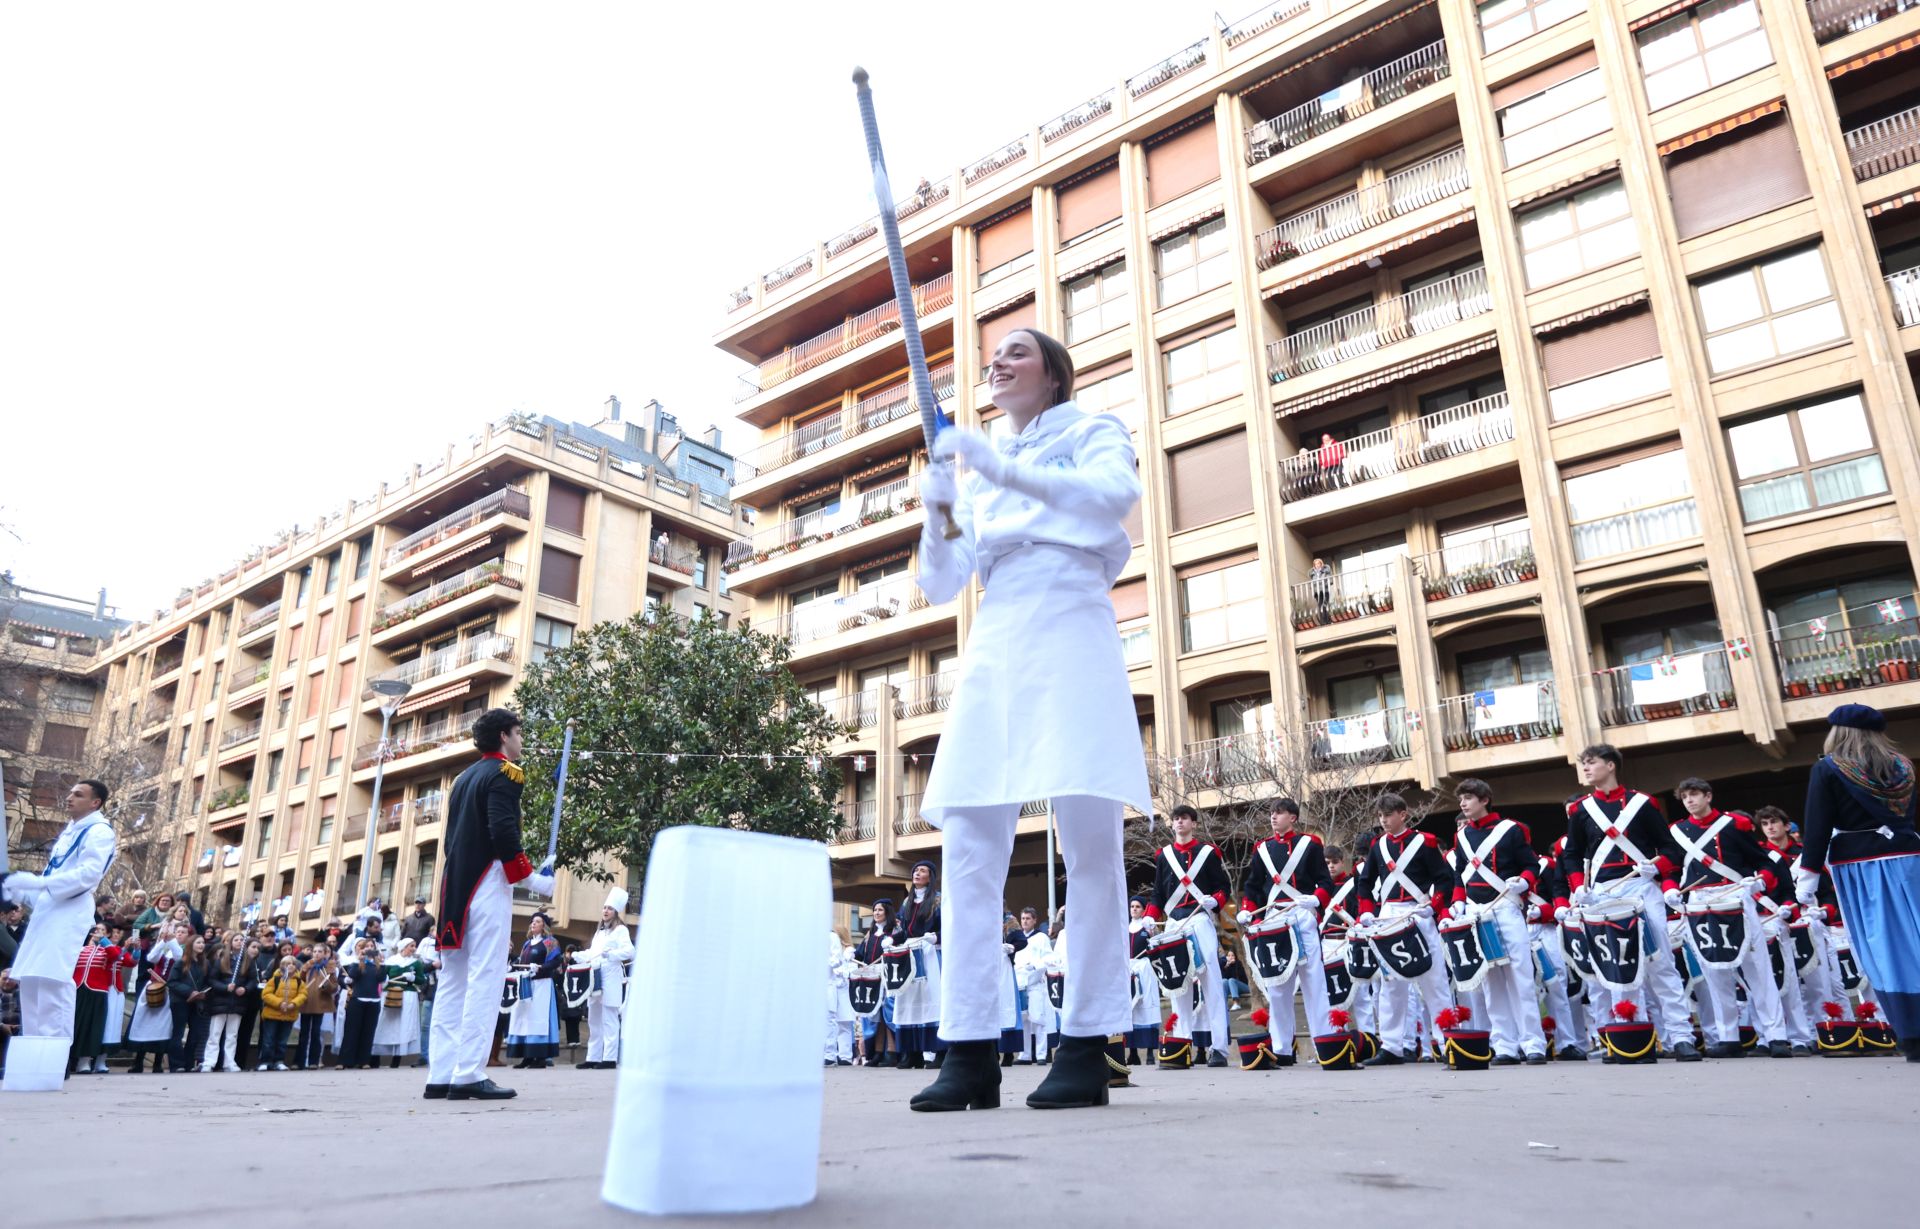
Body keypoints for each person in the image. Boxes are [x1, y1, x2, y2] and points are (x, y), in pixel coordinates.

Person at [907, 326, 1147, 1113]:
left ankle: (1087, 1042)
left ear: (1053, 372)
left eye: (1017, 350)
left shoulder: (1091, 428)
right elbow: (942, 580)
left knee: (1090, 844)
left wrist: (996, 465)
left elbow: (1113, 499)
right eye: (992, 355)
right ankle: (969, 1048)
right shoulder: (974, 473)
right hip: (1000, 627)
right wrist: (940, 493)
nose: (998, 361)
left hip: (1073, 613)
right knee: (969, 847)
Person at [427, 707, 548, 1101]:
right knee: (486, 976)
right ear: (503, 737)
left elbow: (450, 840)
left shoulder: (463, 779)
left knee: (452, 982)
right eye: (518, 732)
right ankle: (468, 1074)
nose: (521, 740)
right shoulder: (505, 773)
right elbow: (503, 830)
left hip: (455, 886)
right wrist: (531, 878)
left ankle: (441, 1074)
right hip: (487, 882)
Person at [1561, 745, 1700, 1060]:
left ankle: (1680, 1036)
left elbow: (1671, 849)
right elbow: (1572, 856)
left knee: (1661, 963)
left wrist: (1658, 866)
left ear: (1610, 766)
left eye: (1591, 762)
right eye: (1582, 764)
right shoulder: (1581, 810)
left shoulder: (1642, 804)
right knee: (1615, 969)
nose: (1585, 768)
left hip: (1640, 887)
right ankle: (1630, 1036)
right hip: (1601, 894)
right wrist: (1578, 886)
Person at [1799, 704, 1920, 1060]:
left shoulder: (1829, 768)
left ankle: (1913, 1033)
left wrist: (1808, 874)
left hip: (1862, 865)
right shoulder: (1901, 765)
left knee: (1885, 948)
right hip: (1910, 857)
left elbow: (1817, 823)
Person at [0, 778, 117, 1090]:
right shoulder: (72, 830)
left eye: (78, 794)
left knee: (53, 982)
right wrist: (27, 891)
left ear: (95, 803)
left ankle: (55, 1061)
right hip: (50, 909)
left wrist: (38, 884)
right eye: (69, 792)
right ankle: (34, 1065)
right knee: (33, 983)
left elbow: (88, 874)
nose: (69, 798)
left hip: (71, 908)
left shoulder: (99, 831)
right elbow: (56, 873)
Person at [1665, 779, 1790, 1058]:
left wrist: (1760, 882)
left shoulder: (1734, 825)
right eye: (1685, 797)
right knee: (1714, 972)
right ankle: (1728, 1036)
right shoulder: (1677, 832)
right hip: (1699, 904)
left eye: (1694, 794)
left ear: (1708, 796)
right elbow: (1672, 868)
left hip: (1736, 898)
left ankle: (1776, 1035)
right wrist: (1671, 889)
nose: (1690, 801)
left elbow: (1764, 862)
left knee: (1757, 969)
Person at [1444, 779, 1548, 1065]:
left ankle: (1533, 1044)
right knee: (1491, 980)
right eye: (1461, 800)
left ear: (1484, 799)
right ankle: (1504, 1045)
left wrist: (1523, 882)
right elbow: (1460, 874)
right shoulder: (1462, 836)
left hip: (1506, 906)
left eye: (1468, 798)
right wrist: (1457, 901)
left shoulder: (1510, 830)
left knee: (1520, 977)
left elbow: (1531, 864)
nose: (1463, 804)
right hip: (1476, 911)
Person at [1355, 793, 1457, 1065]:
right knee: (1391, 985)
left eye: (1388, 815)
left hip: (1418, 911)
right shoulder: (1378, 846)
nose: (1384, 820)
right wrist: (1366, 910)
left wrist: (1433, 906)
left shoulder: (1426, 842)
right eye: (1380, 816)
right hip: (1389, 916)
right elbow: (1365, 883)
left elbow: (1445, 879)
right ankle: (1392, 1046)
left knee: (1434, 980)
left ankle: (1448, 1042)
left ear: (1403, 814)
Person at [1235, 799, 1334, 1064]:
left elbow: (1325, 881)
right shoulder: (1262, 849)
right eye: (1271, 813)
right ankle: (1281, 1048)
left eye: (1279, 813)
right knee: (1278, 985)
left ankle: (1324, 1044)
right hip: (1273, 918)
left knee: (1314, 981)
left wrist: (1316, 898)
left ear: (1293, 817)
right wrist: (1247, 908)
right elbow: (1254, 886)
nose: (1273, 818)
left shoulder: (1310, 844)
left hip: (1301, 913)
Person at [1147, 805, 1233, 1067]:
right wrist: (1151, 915)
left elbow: (1223, 888)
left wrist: (1214, 901)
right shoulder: (1163, 856)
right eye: (1175, 819)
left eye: (1184, 818)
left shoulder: (1208, 853)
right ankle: (1181, 1045)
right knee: (1177, 985)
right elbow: (1158, 893)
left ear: (1193, 823)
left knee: (1211, 981)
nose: (1179, 822)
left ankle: (1219, 1048)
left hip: (1199, 918)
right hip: (1173, 923)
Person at [888, 859, 942, 1072]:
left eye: (922, 870)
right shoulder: (906, 902)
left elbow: (948, 927)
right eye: (915, 871)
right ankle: (912, 1054)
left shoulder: (938, 900)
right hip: (909, 952)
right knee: (909, 1000)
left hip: (929, 954)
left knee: (931, 1000)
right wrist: (892, 939)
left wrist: (936, 937)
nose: (917, 873)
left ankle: (939, 1052)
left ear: (931, 877)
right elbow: (902, 929)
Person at [579, 888, 633, 1069]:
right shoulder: (599, 932)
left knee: (609, 1019)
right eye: (604, 908)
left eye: (609, 908)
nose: (605, 911)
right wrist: (580, 956)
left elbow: (630, 951)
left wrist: (611, 955)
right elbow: (594, 953)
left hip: (610, 978)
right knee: (593, 1019)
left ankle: (609, 1058)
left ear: (615, 912)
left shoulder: (621, 930)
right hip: (595, 978)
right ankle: (592, 1057)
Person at [506, 914, 563, 1069]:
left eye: (537, 921)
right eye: (532, 921)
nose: (533, 924)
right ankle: (527, 1056)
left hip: (542, 985)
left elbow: (557, 961)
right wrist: (513, 967)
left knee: (538, 1018)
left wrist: (540, 967)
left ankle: (540, 1057)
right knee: (525, 1018)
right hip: (527, 983)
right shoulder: (527, 944)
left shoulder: (550, 942)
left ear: (544, 926)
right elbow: (522, 962)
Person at [68, 925, 122, 1076]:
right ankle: (68, 1059)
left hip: (97, 991)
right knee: (73, 1023)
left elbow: (116, 956)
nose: (97, 933)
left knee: (91, 1026)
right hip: (77, 989)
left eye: (102, 930)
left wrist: (103, 941)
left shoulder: (109, 949)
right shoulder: (80, 949)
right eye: (96, 930)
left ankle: (84, 1061)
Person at [125, 924, 178, 1072]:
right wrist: (162, 942)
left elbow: (179, 958)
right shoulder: (160, 949)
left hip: (168, 990)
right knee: (143, 1023)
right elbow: (151, 958)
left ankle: (157, 1063)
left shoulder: (179, 949)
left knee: (162, 1026)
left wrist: (172, 941)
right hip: (152, 987)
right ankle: (138, 1062)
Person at [1010, 905, 1054, 1065]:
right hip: (1020, 982)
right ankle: (1025, 1054)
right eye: (1023, 918)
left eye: (1028, 918)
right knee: (1024, 1020)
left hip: (1036, 983)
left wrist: (1035, 965)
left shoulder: (1041, 938)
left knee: (1038, 1019)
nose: (1025, 921)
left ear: (1034, 920)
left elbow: (1049, 958)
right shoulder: (1017, 938)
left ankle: (1041, 1054)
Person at [854, 901, 896, 1067]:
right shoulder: (870, 933)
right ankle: (878, 1052)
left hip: (887, 976)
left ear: (887, 912)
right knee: (875, 1017)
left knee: (887, 1015)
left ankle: (892, 1052)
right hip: (871, 977)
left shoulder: (893, 931)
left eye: (880, 910)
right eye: (875, 910)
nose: (877, 913)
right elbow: (860, 955)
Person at [374, 937, 426, 1068]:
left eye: (414, 946)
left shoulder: (416, 963)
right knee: (385, 1023)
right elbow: (382, 976)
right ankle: (375, 1057)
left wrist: (413, 978)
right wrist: (385, 980)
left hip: (408, 996)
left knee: (404, 1025)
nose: (414, 948)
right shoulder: (391, 961)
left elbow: (421, 980)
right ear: (403, 947)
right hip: (390, 994)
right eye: (411, 946)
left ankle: (396, 1059)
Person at [167, 932, 213, 1073]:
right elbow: (172, 982)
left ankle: (188, 1063)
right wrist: (189, 992)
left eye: (202, 943)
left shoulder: (205, 963)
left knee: (196, 1034)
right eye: (198, 942)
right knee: (178, 1033)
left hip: (197, 1003)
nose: (201, 945)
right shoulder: (181, 962)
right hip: (180, 1001)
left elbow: (208, 982)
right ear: (191, 944)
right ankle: (177, 1064)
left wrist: (204, 993)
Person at [200, 939, 247, 1072]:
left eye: (241, 940)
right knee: (215, 1033)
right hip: (220, 1002)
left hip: (237, 1003)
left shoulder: (246, 962)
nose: (239, 942)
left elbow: (252, 980)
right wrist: (225, 987)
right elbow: (212, 979)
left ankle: (229, 1062)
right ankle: (209, 1062)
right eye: (236, 940)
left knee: (232, 1035)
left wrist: (245, 989)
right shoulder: (222, 960)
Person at [337, 937, 385, 1069]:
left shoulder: (377, 965)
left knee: (368, 1032)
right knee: (351, 1031)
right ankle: (345, 1060)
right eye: (366, 946)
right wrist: (360, 960)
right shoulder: (356, 963)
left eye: (371, 946)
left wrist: (382, 962)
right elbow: (353, 976)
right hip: (358, 999)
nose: (369, 948)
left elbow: (381, 978)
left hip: (374, 1000)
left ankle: (363, 1060)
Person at [258, 954, 306, 1070]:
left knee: (282, 1041)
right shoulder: (275, 979)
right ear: (281, 966)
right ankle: (265, 1061)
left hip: (288, 1015)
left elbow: (303, 995)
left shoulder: (299, 982)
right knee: (268, 1040)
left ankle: (279, 1060)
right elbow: (266, 994)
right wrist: (279, 1003)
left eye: (292, 964)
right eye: (286, 964)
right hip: (272, 1014)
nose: (289, 966)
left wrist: (293, 1004)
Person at [296, 944, 337, 1070]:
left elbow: (334, 987)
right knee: (303, 1033)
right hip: (306, 1003)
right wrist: (303, 970)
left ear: (325, 953)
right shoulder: (308, 966)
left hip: (320, 1004)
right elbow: (299, 982)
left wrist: (326, 986)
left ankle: (313, 1061)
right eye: (314, 951)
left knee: (315, 1033)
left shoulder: (328, 967)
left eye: (320, 951)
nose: (316, 954)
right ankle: (299, 1062)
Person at [828, 927, 857, 1067]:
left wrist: (842, 972)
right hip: (834, 987)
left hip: (844, 989)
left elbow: (851, 969)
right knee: (832, 1020)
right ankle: (834, 1053)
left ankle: (845, 1056)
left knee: (844, 1023)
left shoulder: (849, 952)